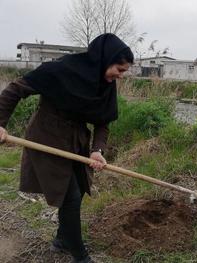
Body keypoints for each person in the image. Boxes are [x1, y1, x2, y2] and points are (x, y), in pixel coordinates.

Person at [0, 33, 134, 263]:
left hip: (75, 141)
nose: (121, 76)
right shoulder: (59, 70)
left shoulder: (105, 86)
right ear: (105, 59)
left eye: (124, 71)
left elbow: (103, 122)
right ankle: (80, 256)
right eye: (119, 69)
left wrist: (97, 150)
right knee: (69, 196)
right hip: (46, 138)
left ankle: (62, 239)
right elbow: (15, 89)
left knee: (79, 188)